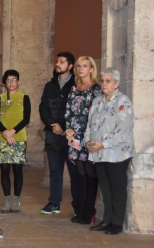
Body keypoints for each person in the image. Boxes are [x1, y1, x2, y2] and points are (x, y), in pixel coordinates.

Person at [85, 68, 134, 235]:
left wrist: (103, 144)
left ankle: (117, 223)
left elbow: (122, 129)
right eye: (102, 81)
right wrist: (87, 140)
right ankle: (106, 220)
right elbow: (89, 124)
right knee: (105, 188)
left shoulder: (123, 102)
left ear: (117, 84)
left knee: (117, 188)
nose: (104, 84)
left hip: (117, 153)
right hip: (99, 153)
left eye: (108, 81)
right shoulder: (97, 101)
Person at [39, 52, 78, 215]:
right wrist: (52, 125)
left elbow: (76, 110)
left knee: (75, 173)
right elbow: (43, 108)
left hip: (71, 136)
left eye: (62, 62)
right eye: (57, 61)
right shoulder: (50, 86)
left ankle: (78, 206)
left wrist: (63, 126)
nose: (58, 64)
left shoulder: (76, 85)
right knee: (55, 171)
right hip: (53, 134)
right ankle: (54, 203)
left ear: (70, 66)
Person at [64, 56, 101, 224]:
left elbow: (99, 116)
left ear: (91, 69)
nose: (80, 69)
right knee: (79, 174)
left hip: (89, 138)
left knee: (90, 173)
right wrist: (69, 130)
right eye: (78, 66)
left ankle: (89, 211)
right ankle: (80, 210)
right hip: (74, 139)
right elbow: (68, 112)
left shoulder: (96, 90)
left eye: (84, 66)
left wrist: (90, 136)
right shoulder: (73, 89)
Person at [0, 70, 31, 213]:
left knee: (17, 170)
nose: (11, 82)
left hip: (18, 138)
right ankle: (7, 200)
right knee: (4, 170)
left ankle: (16, 200)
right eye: (8, 80)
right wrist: (6, 134)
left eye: (14, 79)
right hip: (2, 139)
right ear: (5, 83)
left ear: (19, 82)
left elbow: (26, 119)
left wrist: (13, 132)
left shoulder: (24, 98)